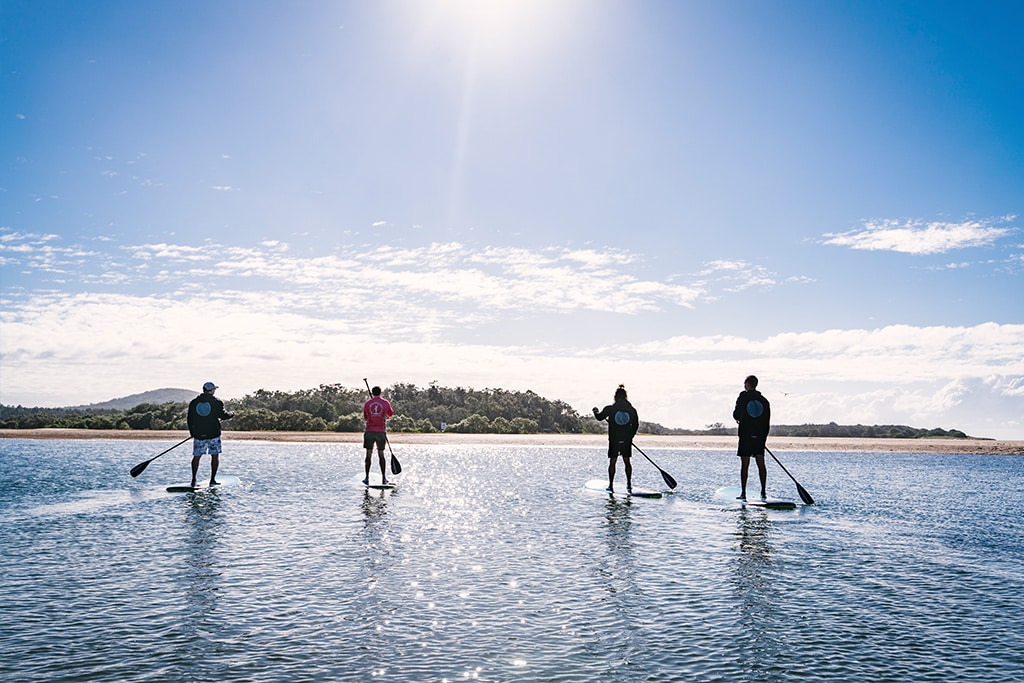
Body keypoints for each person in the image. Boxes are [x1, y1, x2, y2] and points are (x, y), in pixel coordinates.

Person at [186, 381, 234, 488]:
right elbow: (223, 415)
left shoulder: (194, 402)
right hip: (213, 434)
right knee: (215, 456)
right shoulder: (217, 402)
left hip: (199, 434)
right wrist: (231, 414)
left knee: (197, 456)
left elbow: (189, 419)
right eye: (214, 390)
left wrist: (192, 432)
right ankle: (212, 480)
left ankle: (193, 479)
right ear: (211, 391)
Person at [592, 384, 639, 493]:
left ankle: (611, 485)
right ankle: (629, 484)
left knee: (613, 462)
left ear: (615, 397)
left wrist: (595, 411)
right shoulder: (632, 410)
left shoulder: (611, 409)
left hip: (614, 440)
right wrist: (630, 437)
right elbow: (636, 425)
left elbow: (599, 418)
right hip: (626, 441)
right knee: (627, 461)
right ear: (625, 397)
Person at [733, 374, 771, 501]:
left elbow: (736, 414)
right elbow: (767, 422)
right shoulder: (765, 401)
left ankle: (743, 493)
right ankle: (763, 492)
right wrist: (762, 438)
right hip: (759, 437)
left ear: (747, 385)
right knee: (761, 464)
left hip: (745, 436)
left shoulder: (742, 398)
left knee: (745, 465)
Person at [363, 385, 394, 485]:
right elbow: (390, 414)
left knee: (368, 455)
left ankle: (367, 478)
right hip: (381, 432)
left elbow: (365, 418)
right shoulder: (385, 403)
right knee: (381, 455)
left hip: (369, 432)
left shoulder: (367, 403)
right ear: (381, 393)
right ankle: (384, 478)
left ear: (372, 393)